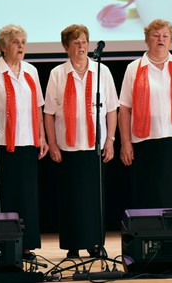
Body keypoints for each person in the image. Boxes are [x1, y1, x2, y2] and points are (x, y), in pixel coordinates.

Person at [44, 24, 119, 259]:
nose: (81, 46)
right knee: (71, 198)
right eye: (76, 42)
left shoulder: (102, 71)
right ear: (66, 47)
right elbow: (49, 113)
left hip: (95, 147)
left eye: (84, 41)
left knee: (94, 198)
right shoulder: (58, 74)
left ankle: (95, 243)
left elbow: (112, 109)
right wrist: (52, 144)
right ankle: (73, 244)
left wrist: (110, 140)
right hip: (67, 148)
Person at [0, 24, 48, 260]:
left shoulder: (31, 71)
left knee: (27, 197)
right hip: (2, 144)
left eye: (23, 42)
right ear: (3, 47)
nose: (21, 46)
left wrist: (42, 137)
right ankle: (4, 247)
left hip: (27, 143)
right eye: (16, 42)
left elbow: (38, 107)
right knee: (6, 196)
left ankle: (26, 246)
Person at [118, 18, 172, 209]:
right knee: (148, 193)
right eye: (155, 35)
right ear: (146, 40)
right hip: (144, 140)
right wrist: (125, 142)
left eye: (165, 36)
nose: (161, 39)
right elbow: (124, 109)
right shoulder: (133, 68)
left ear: (171, 40)